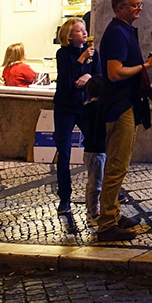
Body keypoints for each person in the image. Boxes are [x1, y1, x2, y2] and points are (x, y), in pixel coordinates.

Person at [95, 0, 152, 243]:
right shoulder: (117, 34)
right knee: (116, 166)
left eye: (140, 4)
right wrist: (145, 65)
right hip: (119, 106)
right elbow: (114, 72)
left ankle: (114, 213)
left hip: (127, 104)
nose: (140, 8)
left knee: (120, 166)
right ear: (121, 7)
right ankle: (107, 224)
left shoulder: (125, 31)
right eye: (135, 5)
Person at [54, 17, 99, 215]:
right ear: (70, 36)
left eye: (85, 29)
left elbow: (98, 77)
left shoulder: (93, 54)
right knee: (63, 152)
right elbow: (66, 81)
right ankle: (64, 197)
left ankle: (99, 191)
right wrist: (80, 62)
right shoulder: (63, 54)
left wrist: (88, 76)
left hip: (85, 107)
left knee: (96, 146)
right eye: (79, 30)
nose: (84, 33)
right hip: (65, 107)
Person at [79, 75, 107, 225]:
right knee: (96, 183)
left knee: (93, 181)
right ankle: (93, 213)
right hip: (97, 150)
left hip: (89, 149)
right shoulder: (99, 110)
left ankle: (91, 210)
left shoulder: (86, 107)